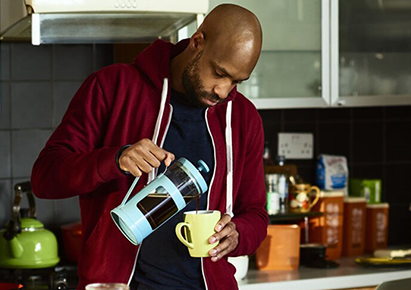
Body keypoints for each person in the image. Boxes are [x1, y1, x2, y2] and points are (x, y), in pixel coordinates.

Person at [31, 4, 268, 290]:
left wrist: (238, 234)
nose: (223, 91)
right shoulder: (112, 87)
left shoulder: (244, 118)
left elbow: (255, 213)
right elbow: (45, 178)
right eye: (219, 73)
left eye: (236, 81)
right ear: (197, 42)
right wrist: (115, 160)